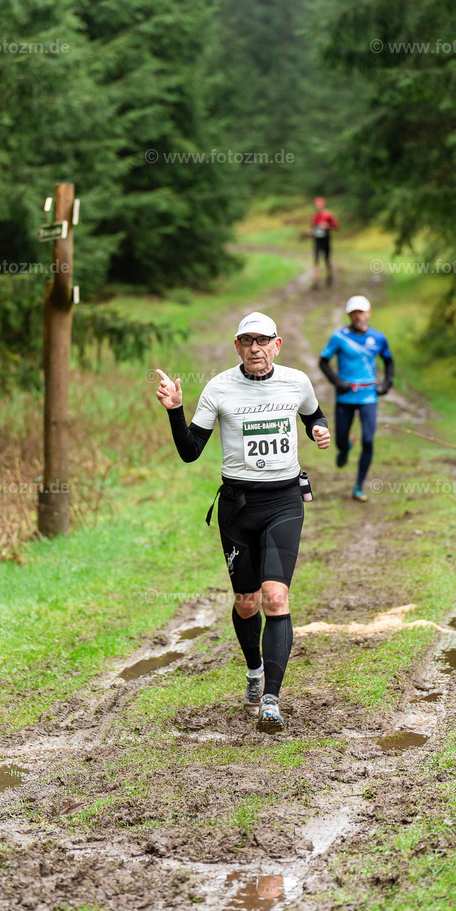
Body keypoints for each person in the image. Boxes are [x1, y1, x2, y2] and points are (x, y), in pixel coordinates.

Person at [155, 312, 330, 733]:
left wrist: (319, 430)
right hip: (238, 506)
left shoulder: (296, 381)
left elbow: (313, 415)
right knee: (247, 602)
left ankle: (271, 699)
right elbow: (190, 451)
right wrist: (176, 411)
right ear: (237, 347)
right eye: (247, 341)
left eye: (262, 341)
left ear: (277, 344)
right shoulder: (218, 387)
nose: (255, 348)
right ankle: (254, 672)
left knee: (275, 598)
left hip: (284, 501)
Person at [318, 295, 394, 502]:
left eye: (361, 312)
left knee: (368, 441)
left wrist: (387, 383)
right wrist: (337, 382)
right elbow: (323, 362)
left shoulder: (378, 338)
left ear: (368, 313)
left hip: (369, 397)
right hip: (345, 397)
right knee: (340, 440)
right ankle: (345, 447)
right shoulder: (339, 337)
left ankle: (359, 486)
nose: (358, 316)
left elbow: (388, 361)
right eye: (354, 313)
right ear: (349, 315)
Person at [310, 197, 339, 288]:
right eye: (317, 206)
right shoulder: (314, 216)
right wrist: (311, 231)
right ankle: (316, 279)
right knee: (316, 259)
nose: (318, 207)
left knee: (327, 259)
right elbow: (312, 227)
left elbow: (336, 226)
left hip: (326, 239)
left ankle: (329, 277)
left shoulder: (328, 215)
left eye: (320, 206)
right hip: (317, 239)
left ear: (323, 206)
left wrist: (327, 226)